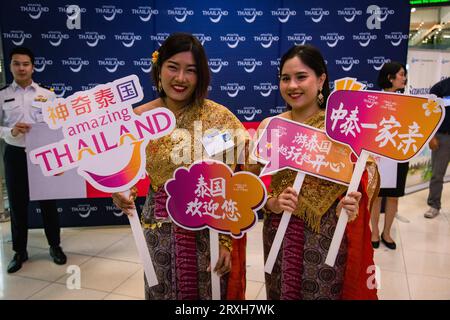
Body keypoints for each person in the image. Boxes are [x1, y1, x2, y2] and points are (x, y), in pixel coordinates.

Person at [112, 33, 249, 300]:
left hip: (209, 228)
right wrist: (120, 192)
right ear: (159, 69)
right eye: (173, 67)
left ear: (201, 76)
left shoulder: (219, 117)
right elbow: (121, 173)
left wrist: (225, 241)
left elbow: (239, 179)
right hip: (160, 227)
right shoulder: (140, 119)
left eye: (191, 71)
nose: (181, 78)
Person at [258, 45, 379, 300]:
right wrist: (272, 203)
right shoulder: (271, 126)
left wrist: (352, 203)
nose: (292, 85)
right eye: (285, 78)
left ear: (321, 79)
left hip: (327, 234)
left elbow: (369, 177)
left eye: (301, 77)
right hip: (278, 231)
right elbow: (253, 185)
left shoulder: (342, 129)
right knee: (280, 292)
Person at [0, 46, 67, 273]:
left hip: (42, 155)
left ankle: (55, 246)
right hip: (15, 155)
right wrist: (11, 131)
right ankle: (20, 251)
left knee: (48, 203)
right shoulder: (3, 95)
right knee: (18, 206)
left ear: (33, 66)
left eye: (25, 64)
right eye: (16, 63)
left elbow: (58, 124)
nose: (21, 68)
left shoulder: (47, 95)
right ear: (10, 66)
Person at [370, 62, 408, 250]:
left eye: (404, 75)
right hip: (379, 154)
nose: (404, 78)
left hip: (400, 153)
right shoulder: (373, 99)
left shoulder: (408, 101)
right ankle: (375, 231)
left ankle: (387, 232)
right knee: (376, 196)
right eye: (401, 74)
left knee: (393, 197)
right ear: (390, 77)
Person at [424, 77, 450, 218]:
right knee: (437, 174)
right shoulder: (440, 88)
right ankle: (434, 205)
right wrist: (432, 136)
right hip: (443, 137)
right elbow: (429, 114)